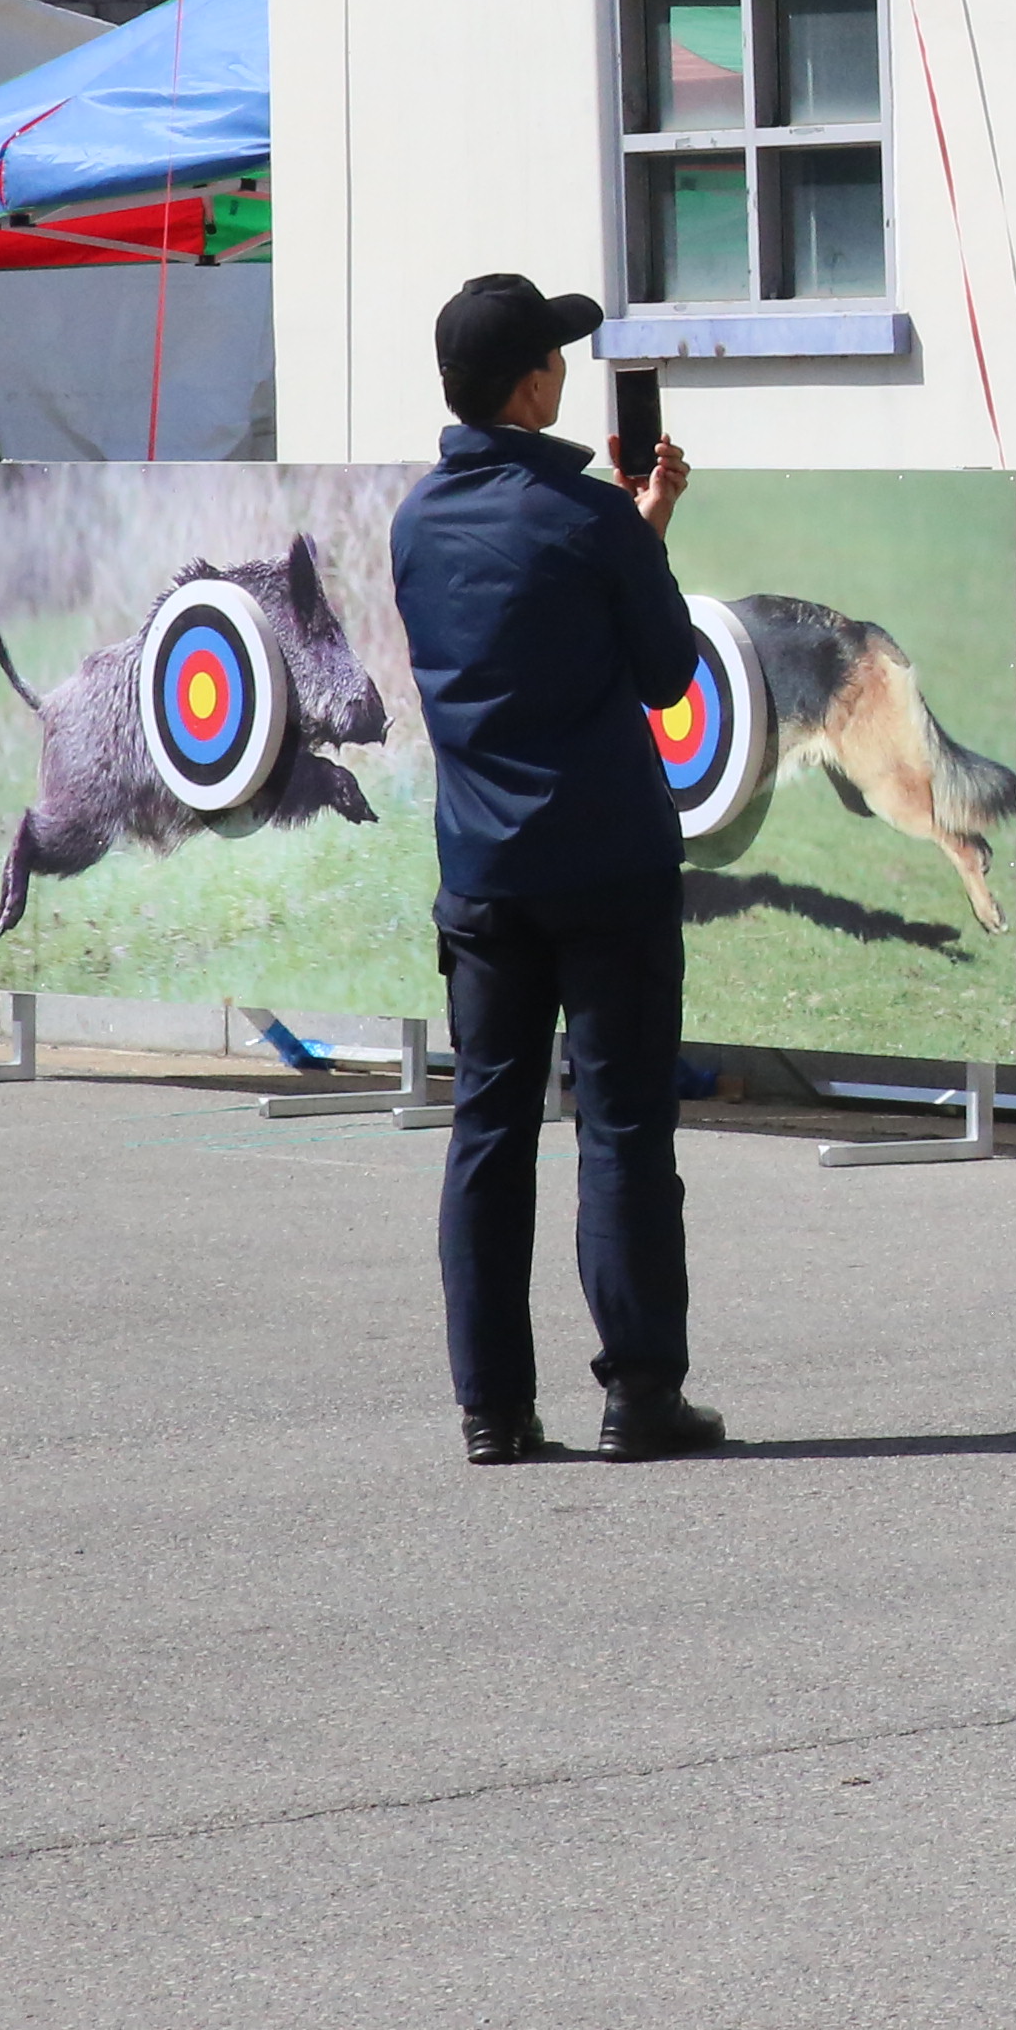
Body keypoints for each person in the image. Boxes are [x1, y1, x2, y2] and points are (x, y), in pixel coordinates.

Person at [388, 271, 720, 1467]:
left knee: (489, 1131)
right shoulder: (589, 517)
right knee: (622, 1129)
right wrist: (646, 531)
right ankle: (641, 1394)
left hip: (483, 868)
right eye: (557, 358)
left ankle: (493, 1408)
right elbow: (667, 672)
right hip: (608, 861)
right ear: (532, 386)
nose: (568, 372)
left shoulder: (417, 522)